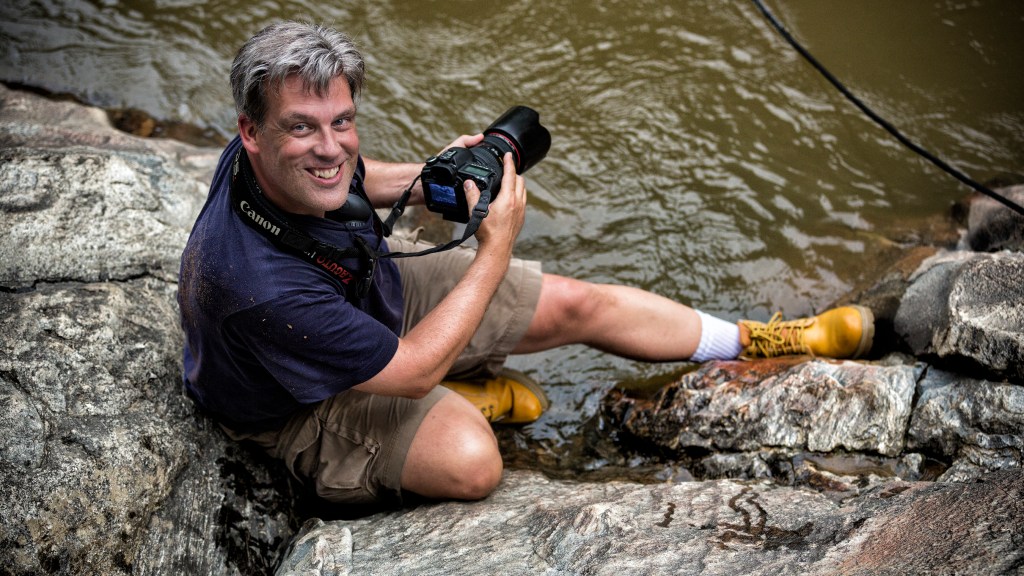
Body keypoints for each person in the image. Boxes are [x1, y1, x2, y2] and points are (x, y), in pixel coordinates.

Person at [178, 21, 874, 507]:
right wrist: (496, 247)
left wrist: (428, 179)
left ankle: (754, 340)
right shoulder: (258, 286)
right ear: (251, 130)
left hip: (353, 286)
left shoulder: (268, 160)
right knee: (472, 460)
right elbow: (412, 371)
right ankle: (469, 395)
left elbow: (350, 174)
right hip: (295, 402)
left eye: (342, 121)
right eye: (302, 127)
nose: (331, 147)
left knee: (579, 304)